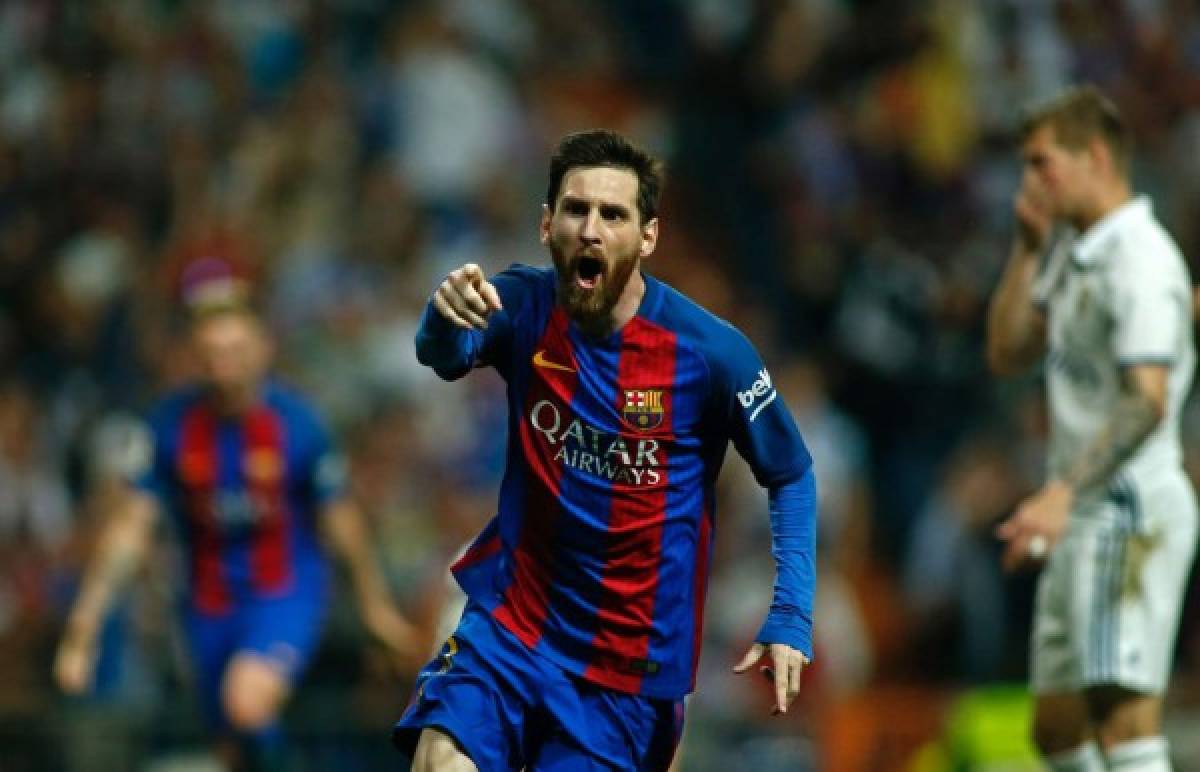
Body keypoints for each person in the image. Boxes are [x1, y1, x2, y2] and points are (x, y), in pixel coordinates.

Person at [393, 128, 817, 771]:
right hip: (512, 626)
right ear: (546, 224)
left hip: (626, 672)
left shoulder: (711, 353)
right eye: (575, 209)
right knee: (439, 763)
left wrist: (790, 615)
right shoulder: (521, 304)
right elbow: (445, 356)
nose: (591, 229)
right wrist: (442, 315)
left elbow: (790, 473)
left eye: (613, 214)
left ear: (647, 236)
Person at [54, 298, 419, 771]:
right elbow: (130, 528)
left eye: (236, 350)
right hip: (205, 605)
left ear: (262, 349)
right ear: (196, 357)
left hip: (284, 594)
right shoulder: (168, 426)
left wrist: (375, 605)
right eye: (212, 353)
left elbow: (340, 519)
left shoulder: (299, 423)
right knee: (233, 747)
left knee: (246, 702)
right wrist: (85, 626)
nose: (224, 366)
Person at [987, 85, 1197, 772]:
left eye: (1042, 163)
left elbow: (1147, 401)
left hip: (1125, 511)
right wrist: (1024, 250)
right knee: (1056, 729)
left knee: (1123, 725)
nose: (1031, 181)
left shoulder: (1139, 258)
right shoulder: (1075, 252)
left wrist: (1061, 494)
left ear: (1095, 157)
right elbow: (1007, 352)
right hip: (1079, 511)